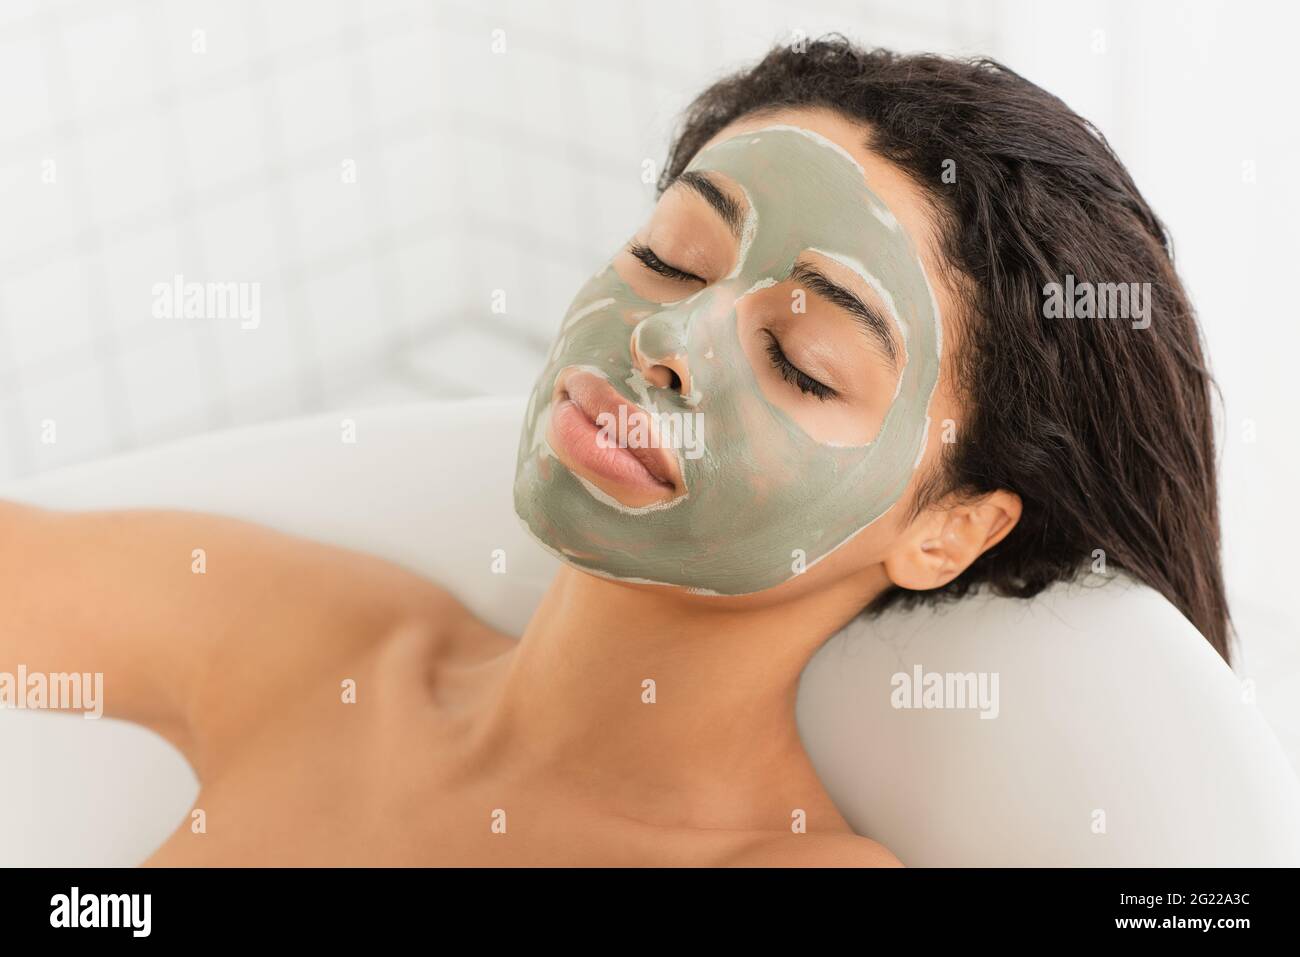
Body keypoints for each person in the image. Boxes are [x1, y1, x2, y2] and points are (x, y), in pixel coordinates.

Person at [0, 37, 1228, 867]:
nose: (669, 338)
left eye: (803, 359)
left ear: (947, 527)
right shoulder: (316, 641)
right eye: (672, 256)